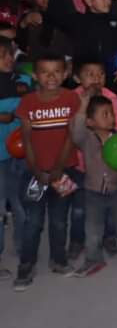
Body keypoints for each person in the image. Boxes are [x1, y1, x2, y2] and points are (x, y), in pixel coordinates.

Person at [12, 51, 81, 291]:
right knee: (33, 221)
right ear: (35, 75)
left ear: (65, 73)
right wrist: (37, 170)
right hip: (35, 172)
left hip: (64, 171)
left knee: (60, 220)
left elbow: (71, 137)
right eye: (44, 72)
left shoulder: (72, 99)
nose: (51, 77)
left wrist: (58, 169)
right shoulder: (28, 103)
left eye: (56, 72)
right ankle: (26, 265)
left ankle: (58, 260)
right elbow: (27, 140)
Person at [69, 93, 117, 277]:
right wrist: (83, 105)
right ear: (91, 122)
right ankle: (93, 260)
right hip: (93, 193)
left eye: (111, 113)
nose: (111, 118)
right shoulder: (86, 138)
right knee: (92, 231)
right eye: (105, 114)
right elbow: (76, 132)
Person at [0, 38, 26, 279]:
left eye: (10, 54)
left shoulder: (23, 82)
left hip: (20, 154)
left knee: (20, 204)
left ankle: (23, 249)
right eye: (2, 56)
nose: (8, 59)